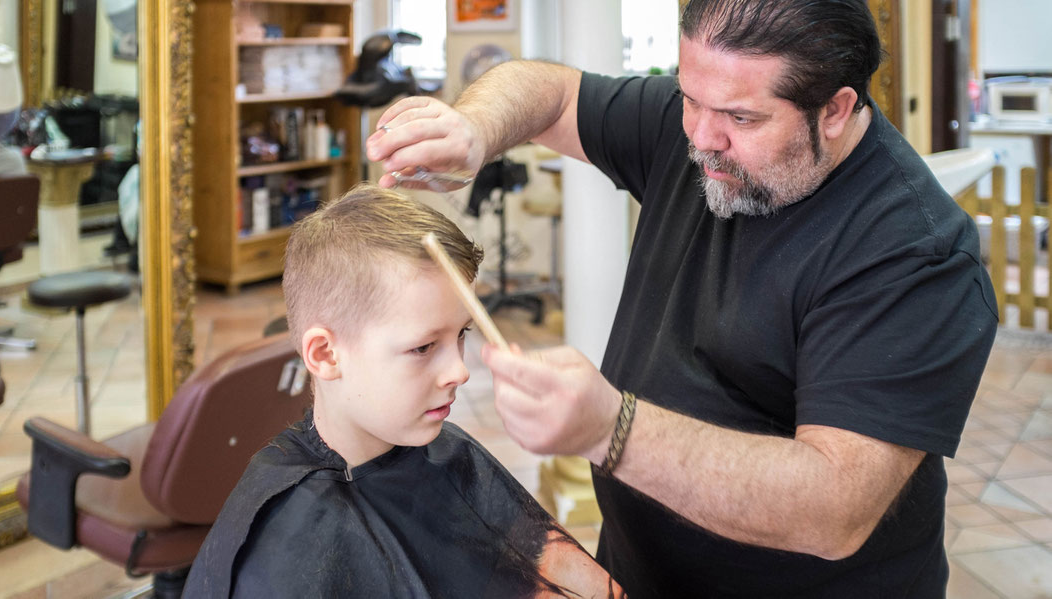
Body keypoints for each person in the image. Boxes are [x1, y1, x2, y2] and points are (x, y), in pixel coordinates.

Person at [365, 1, 999, 596]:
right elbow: (553, 92)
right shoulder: (700, 122)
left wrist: (613, 430)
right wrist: (475, 129)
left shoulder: (916, 251)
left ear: (834, 110)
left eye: (742, 119)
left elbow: (837, 506)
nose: (700, 137)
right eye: (689, 99)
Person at [183, 184, 623, 598]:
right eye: (423, 346)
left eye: (463, 334)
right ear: (325, 354)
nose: (459, 371)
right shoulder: (281, 543)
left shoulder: (450, 456)